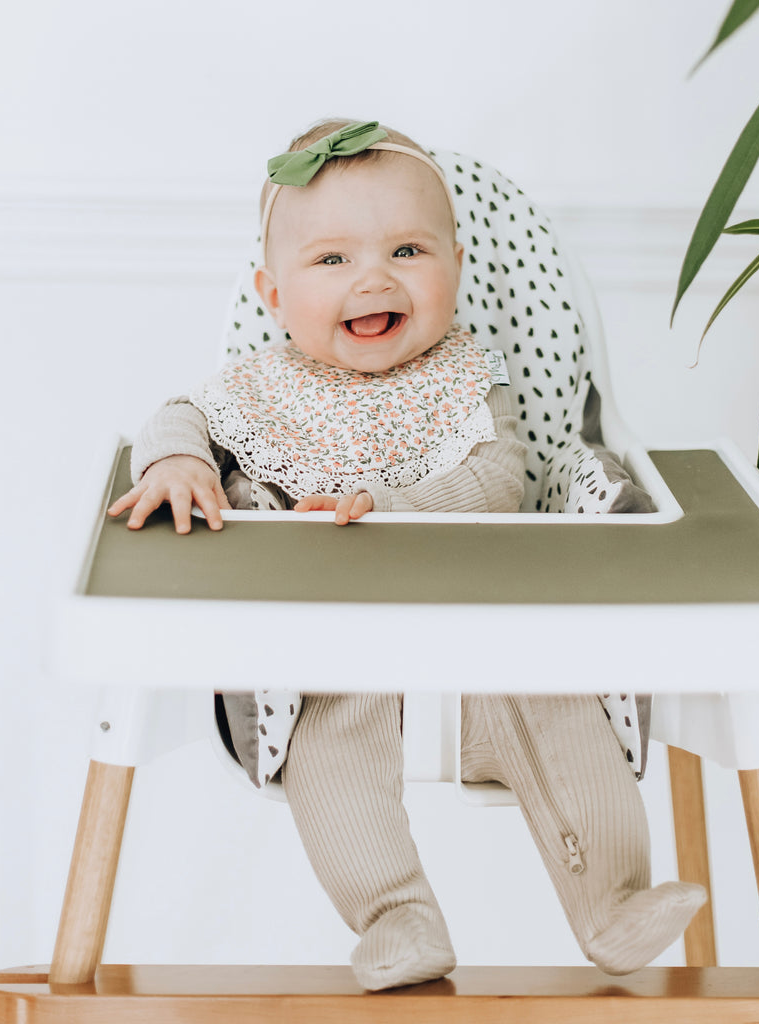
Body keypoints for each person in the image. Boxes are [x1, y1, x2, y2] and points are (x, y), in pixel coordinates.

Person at [108, 119, 706, 990]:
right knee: (328, 758)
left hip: (484, 651)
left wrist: (394, 507)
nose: (374, 278)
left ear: (456, 269)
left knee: (561, 707)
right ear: (273, 294)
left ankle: (612, 901)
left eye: (408, 249)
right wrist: (178, 461)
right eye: (332, 261)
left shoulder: (469, 377)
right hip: (332, 663)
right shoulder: (258, 386)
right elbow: (174, 415)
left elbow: (503, 478)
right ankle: (397, 920)